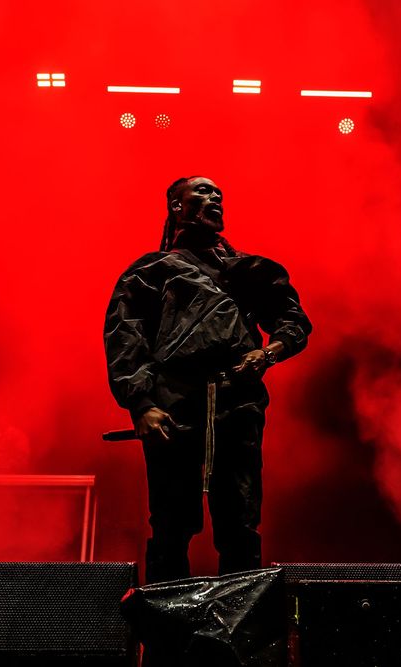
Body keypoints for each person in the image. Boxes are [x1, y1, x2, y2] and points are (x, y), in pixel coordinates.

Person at [104, 176, 312, 583]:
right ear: (176, 207)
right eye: (201, 191)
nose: (213, 196)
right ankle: (166, 635)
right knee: (171, 523)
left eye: (218, 193)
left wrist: (269, 352)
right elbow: (126, 336)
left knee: (240, 521)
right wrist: (142, 405)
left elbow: (293, 320)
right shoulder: (151, 270)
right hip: (173, 405)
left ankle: (241, 636)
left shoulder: (249, 271)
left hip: (238, 402)